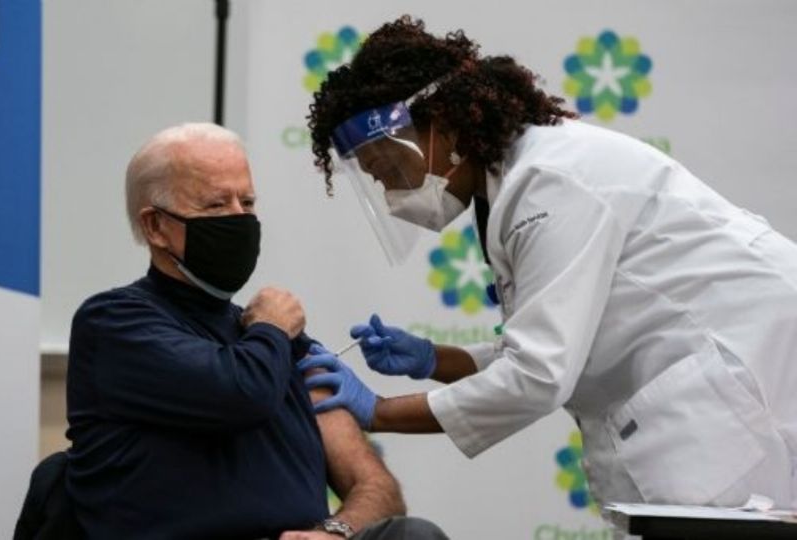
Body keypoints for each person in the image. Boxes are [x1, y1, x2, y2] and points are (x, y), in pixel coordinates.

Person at [303, 16, 797, 512]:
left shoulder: (549, 180)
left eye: (391, 169)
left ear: (445, 126)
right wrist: (435, 359)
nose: (392, 195)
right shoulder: (513, 180)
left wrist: (378, 411)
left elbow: (539, 374)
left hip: (750, 366)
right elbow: (549, 345)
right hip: (712, 375)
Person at [65, 122, 447, 539]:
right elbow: (242, 393)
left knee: (413, 535)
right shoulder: (115, 323)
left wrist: (334, 532)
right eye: (215, 205)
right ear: (156, 227)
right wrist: (270, 326)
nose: (239, 219)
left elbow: (375, 487)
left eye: (246, 202)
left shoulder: (282, 342)